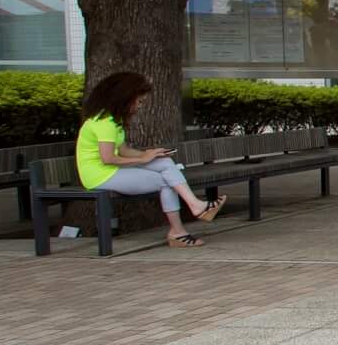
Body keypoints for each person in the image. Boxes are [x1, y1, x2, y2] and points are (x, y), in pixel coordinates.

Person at [73, 71, 225, 246]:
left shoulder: (114, 121)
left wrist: (152, 154)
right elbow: (108, 158)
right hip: (99, 176)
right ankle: (178, 231)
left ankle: (195, 206)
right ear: (125, 98)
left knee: (165, 163)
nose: (139, 106)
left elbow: (123, 150)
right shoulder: (104, 123)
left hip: (111, 170)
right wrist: (143, 160)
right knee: (164, 181)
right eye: (139, 101)